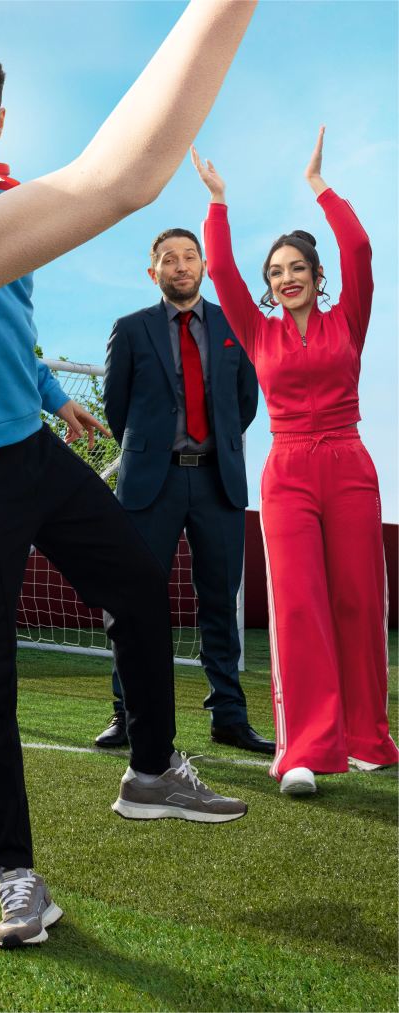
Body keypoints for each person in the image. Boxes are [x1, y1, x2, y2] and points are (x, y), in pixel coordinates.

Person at [0, 27, 252, 950]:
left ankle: (150, 770)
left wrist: (52, 397)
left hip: (32, 449)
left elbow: (9, 325)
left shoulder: (8, 202)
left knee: (142, 588)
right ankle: (15, 876)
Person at [194, 128, 398, 795]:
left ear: (317, 276)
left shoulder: (350, 320)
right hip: (287, 472)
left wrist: (320, 187)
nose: (284, 278)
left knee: (360, 598)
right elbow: (219, 270)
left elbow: (362, 247)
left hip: (348, 463)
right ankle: (304, 748)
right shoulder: (258, 332)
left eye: (295, 269)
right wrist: (218, 202)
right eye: (276, 272)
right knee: (301, 606)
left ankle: (368, 736)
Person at [95, 226, 270, 755]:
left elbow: (245, 403)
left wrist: (210, 444)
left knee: (219, 600)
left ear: (202, 266)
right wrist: (154, 450)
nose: (180, 265)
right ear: (154, 273)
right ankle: (127, 713)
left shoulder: (234, 327)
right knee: (134, 599)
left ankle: (229, 717)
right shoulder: (129, 329)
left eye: (189, 256)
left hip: (217, 480)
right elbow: (116, 408)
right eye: (168, 258)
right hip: (152, 482)